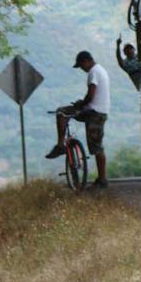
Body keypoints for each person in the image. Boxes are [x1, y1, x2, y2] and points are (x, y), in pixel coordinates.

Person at [45, 50, 110, 188]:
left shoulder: (93, 72)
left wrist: (81, 104)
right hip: (98, 111)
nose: (82, 69)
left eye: (81, 66)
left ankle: (60, 145)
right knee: (96, 146)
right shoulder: (101, 70)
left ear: (86, 61)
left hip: (94, 112)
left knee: (61, 112)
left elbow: (91, 95)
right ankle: (63, 145)